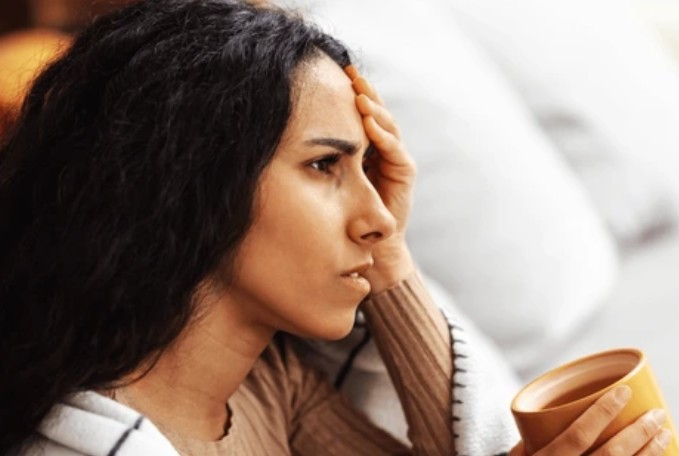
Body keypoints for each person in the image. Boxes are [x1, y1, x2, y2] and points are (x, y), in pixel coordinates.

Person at [0, 0, 671, 454]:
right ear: (189, 176)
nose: (379, 219)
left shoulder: (271, 388)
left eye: (367, 171)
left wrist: (392, 261)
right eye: (325, 165)